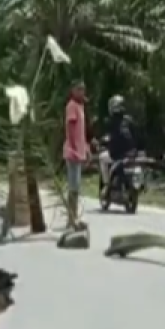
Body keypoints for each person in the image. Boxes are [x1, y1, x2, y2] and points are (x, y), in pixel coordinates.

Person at [62, 80, 90, 230]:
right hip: (73, 152)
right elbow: (71, 129)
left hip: (79, 151)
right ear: (72, 90)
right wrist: (75, 149)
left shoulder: (80, 106)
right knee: (73, 188)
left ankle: (73, 218)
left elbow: (81, 132)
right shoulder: (72, 106)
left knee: (76, 188)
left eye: (83, 89)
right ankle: (71, 219)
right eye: (79, 89)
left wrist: (85, 148)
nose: (82, 92)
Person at [99, 94, 135, 196]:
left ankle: (106, 184)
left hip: (116, 155)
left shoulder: (111, 121)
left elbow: (109, 137)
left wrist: (104, 141)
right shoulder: (129, 120)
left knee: (102, 157)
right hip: (131, 154)